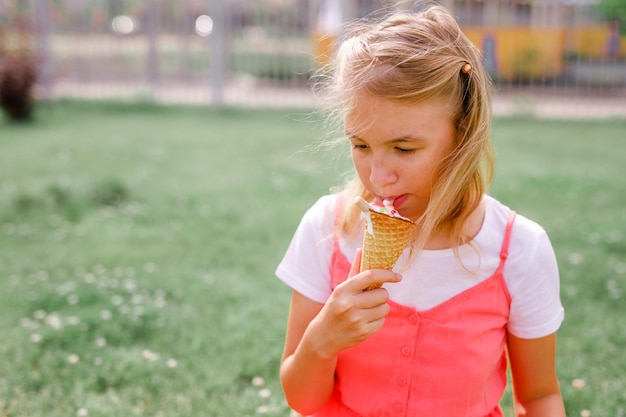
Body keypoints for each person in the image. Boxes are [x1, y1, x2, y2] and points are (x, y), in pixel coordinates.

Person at [275, 3, 565, 416]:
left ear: (462, 133)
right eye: (360, 145)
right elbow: (302, 399)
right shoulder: (328, 228)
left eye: (404, 148)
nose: (378, 175)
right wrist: (322, 340)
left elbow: (539, 397)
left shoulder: (519, 249)